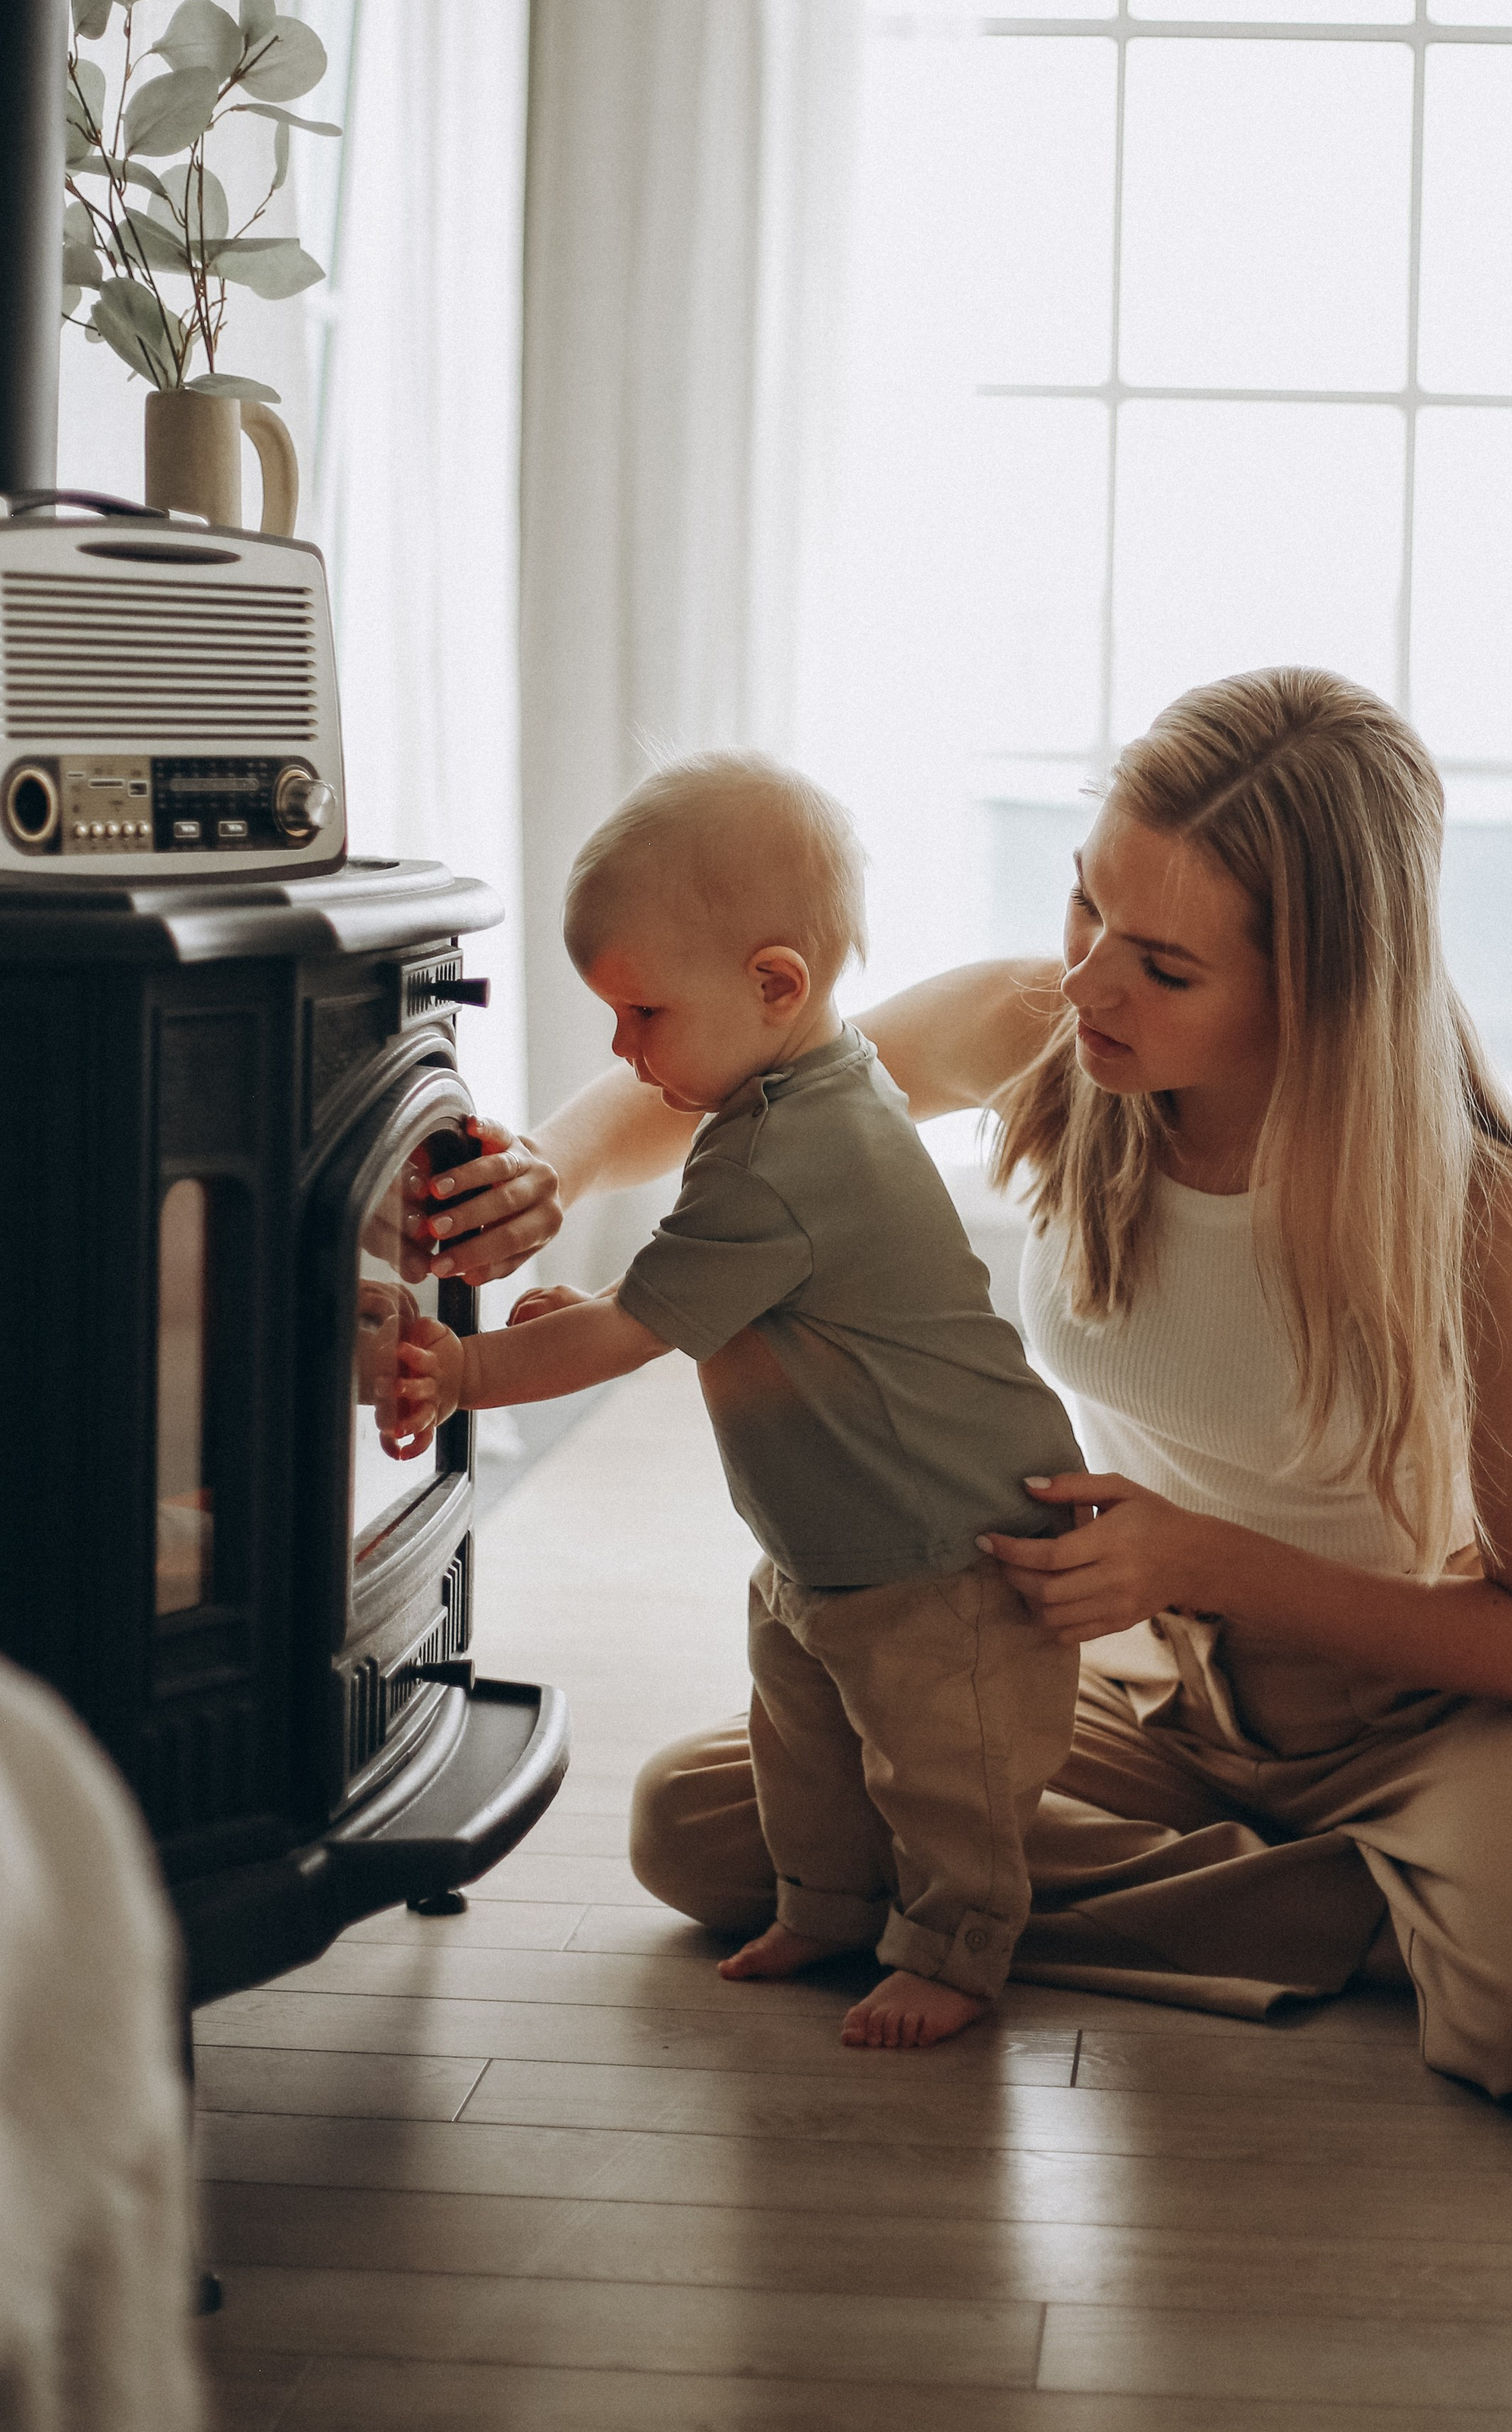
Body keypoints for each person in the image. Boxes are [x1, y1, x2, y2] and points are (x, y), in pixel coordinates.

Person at [418, 671, 1512, 2121]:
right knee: (702, 1829)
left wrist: (1194, 1557)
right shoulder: (1058, 1030)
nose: (1086, 978)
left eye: (1163, 964)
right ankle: (1402, 1914)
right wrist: (550, 1166)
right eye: (1087, 898)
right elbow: (752, 1066)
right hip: (1137, 1673)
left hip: (1434, 1707)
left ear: (1322, 991)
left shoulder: (1477, 1212)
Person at [388, 752, 1084, 2050]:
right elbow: (713, 1303)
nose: (620, 1047)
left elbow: (647, 1326)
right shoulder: (792, 1093)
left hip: (941, 1561)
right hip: (830, 1549)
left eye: (642, 1013)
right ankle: (824, 1903)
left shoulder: (788, 1149)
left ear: (775, 983)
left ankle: (955, 1947)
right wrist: (589, 1320)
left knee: (946, 1779)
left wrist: (472, 1369)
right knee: (804, 1745)